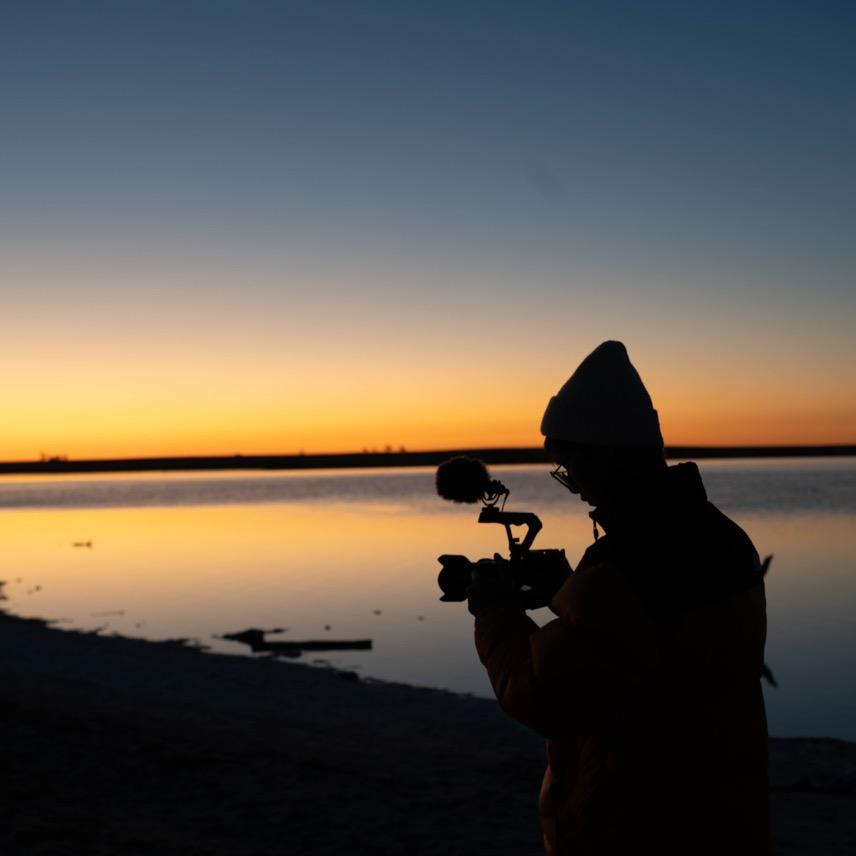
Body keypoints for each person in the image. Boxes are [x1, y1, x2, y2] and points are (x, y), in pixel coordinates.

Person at [468, 341, 771, 855]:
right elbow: (646, 649)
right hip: (723, 811)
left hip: (643, 822)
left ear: (604, 453)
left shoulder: (629, 559)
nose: (573, 486)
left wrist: (495, 611)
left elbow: (548, 697)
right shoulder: (720, 535)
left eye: (570, 468)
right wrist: (564, 592)